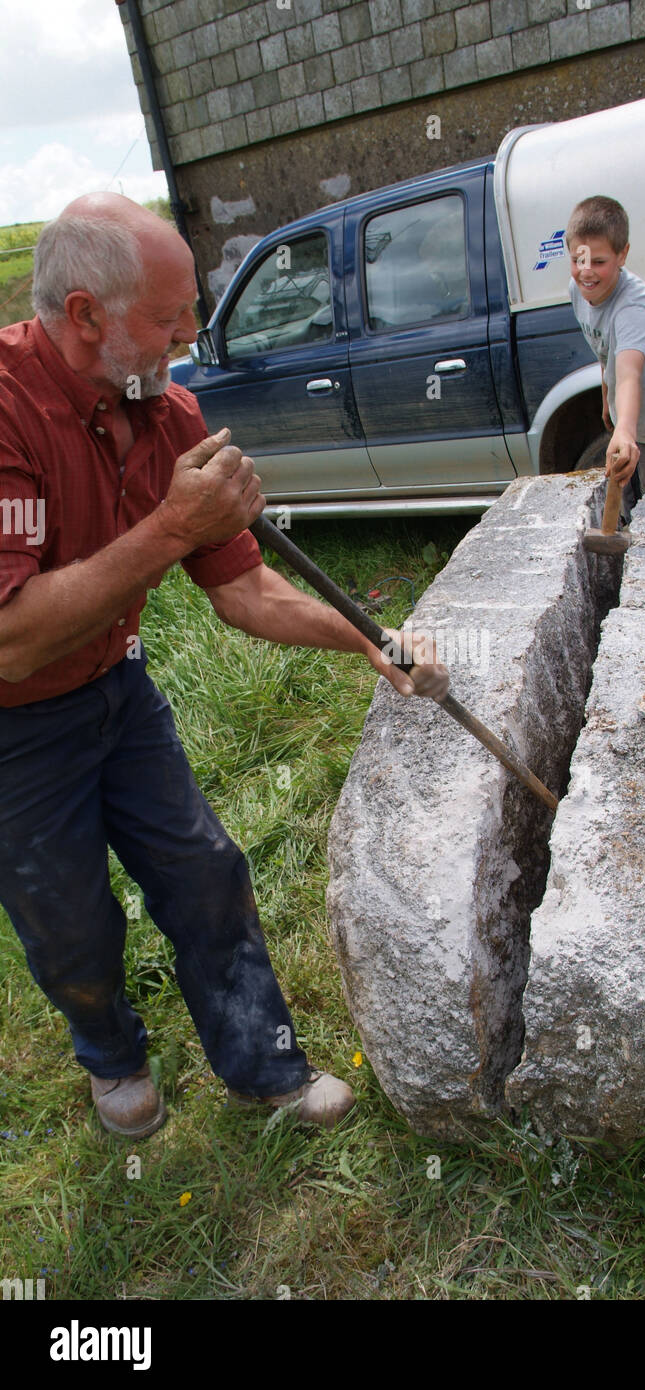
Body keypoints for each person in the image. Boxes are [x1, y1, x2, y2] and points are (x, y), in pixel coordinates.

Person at [0, 193, 449, 1139]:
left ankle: (263, 1064)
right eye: (168, 318)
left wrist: (371, 642)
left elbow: (245, 592)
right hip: (14, 726)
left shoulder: (168, 413)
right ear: (86, 316)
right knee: (69, 921)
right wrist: (169, 526)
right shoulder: (6, 411)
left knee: (205, 871)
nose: (189, 334)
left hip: (116, 688)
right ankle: (111, 1054)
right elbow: (12, 637)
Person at [566, 195, 645, 506]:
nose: (586, 272)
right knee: (626, 495)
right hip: (628, 412)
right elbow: (604, 350)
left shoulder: (635, 309)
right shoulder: (579, 291)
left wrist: (624, 429)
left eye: (599, 262)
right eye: (577, 260)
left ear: (623, 255)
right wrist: (608, 398)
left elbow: (629, 375)